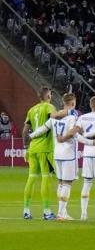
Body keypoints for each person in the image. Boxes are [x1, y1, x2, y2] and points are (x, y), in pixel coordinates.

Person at [27, 93, 79, 220]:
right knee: (67, 183)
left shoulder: (54, 117)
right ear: (73, 103)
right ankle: (62, 213)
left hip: (57, 154)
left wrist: (30, 137)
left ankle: (62, 211)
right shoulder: (74, 116)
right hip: (68, 153)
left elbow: (42, 129)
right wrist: (64, 138)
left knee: (61, 183)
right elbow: (73, 132)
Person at [21, 86, 68, 220]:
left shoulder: (32, 110)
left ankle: (26, 211)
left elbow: (25, 131)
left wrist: (25, 148)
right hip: (45, 148)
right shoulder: (49, 107)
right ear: (48, 96)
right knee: (46, 178)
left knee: (31, 178)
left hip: (33, 148)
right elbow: (55, 116)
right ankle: (47, 212)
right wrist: (67, 110)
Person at [71, 96, 95, 221]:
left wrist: (87, 142)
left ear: (90, 105)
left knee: (87, 184)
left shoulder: (82, 118)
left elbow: (74, 133)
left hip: (87, 154)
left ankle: (83, 214)